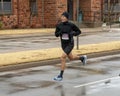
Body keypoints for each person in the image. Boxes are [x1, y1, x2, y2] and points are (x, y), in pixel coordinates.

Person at [54, 12, 87, 81]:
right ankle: (82, 58)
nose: (62, 18)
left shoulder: (71, 25)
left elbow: (79, 31)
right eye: (61, 16)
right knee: (71, 58)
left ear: (67, 18)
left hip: (70, 43)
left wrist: (73, 33)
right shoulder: (59, 25)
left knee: (62, 57)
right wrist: (60, 32)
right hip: (63, 44)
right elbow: (56, 34)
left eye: (64, 17)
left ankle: (60, 76)